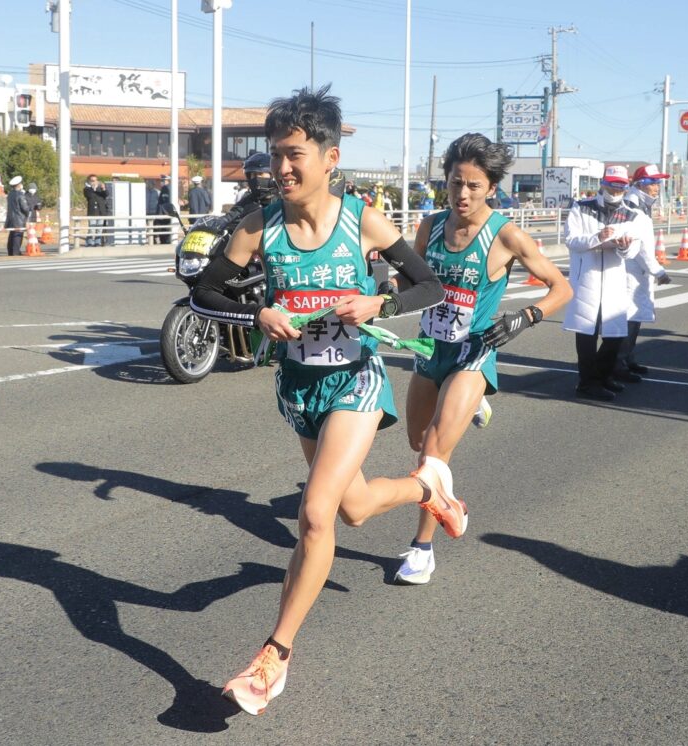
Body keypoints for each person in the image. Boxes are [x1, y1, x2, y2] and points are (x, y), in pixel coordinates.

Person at [189, 85, 450, 715]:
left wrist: (378, 303)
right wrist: (259, 310)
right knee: (355, 508)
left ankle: (274, 655)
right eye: (276, 154)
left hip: (356, 381)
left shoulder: (361, 220)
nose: (281, 167)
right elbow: (204, 293)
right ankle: (427, 489)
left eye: (295, 154)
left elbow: (429, 285)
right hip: (298, 386)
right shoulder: (258, 226)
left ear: (329, 158)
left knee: (315, 516)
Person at [391, 133, 572, 585]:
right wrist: (386, 295)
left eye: (474, 185)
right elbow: (412, 284)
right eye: (455, 183)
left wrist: (524, 318)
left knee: (433, 454)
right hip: (431, 351)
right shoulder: (430, 226)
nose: (463, 194)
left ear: (492, 187)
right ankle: (463, 445)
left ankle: (422, 549)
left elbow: (561, 288)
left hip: (474, 354)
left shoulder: (506, 234)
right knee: (417, 441)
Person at [562, 165, 647, 401]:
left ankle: (603, 375)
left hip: (614, 279)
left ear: (626, 186)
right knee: (586, 334)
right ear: (602, 182)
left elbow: (633, 251)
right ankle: (587, 383)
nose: (615, 188)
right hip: (586, 278)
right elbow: (571, 240)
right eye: (611, 183)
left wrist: (624, 246)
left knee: (615, 334)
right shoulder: (581, 207)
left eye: (620, 185)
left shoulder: (633, 214)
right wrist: (596, 238)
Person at [617, 164, 672, 379]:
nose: (657, 186)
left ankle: (626, 358)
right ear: (642, 184)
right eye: (653, 182)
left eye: (658, 182)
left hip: (635, 270)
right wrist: (658, 271)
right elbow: (641, 246)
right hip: (630, 270)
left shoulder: (640, 203)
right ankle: (618, 363)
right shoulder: (633, 205)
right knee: (629, 317)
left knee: (635, 316)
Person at [5, 175, 29, 256]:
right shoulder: (20, 195)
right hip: (19, 219)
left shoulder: (10, 195)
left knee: (11, 235)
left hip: (10, 219)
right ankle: (16, 252)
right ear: (19, 185)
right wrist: (28, 212)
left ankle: (10, 252)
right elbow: (25, 208)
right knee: (17, 236)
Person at [83, 174, 108, 247]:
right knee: (92, 228)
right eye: (92, 180)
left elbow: (106, 194)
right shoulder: (87, 189)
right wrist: (93, 188)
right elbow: (90, 196)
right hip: (92, 211)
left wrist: (103, 188)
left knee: (99, 229)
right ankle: (90, 242)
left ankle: (98, 242)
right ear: (89, 181)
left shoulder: (100, 188)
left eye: (95, 180)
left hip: (101, 211)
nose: (94, 182)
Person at [155, 174, 172, 244]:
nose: (161, 182)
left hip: (164, 214)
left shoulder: (166, 188)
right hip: (166, 214)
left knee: (164, 232)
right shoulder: (169, 188)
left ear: (167, 181)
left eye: (163, 180)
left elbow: (164, 202)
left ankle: (165, 243)